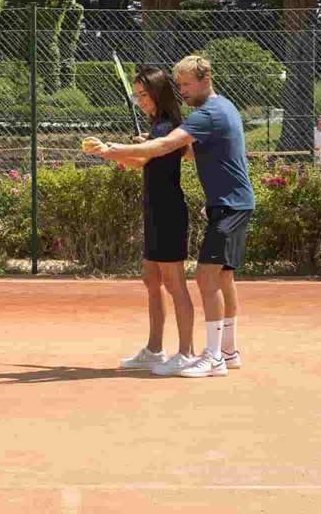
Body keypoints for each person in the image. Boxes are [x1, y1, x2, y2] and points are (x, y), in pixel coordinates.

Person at [84, 55, 254, 378]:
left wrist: (112, 149)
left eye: (187, 85)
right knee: (216, 278)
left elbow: (164, 146)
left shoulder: (205, 115)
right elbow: (181, 151)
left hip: (213, 206)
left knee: (204, 279)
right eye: (180, 86)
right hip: (225, 203)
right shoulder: (221, 109)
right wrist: (141, 148)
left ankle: (207, 355)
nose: (183, 92)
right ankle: (224, 351)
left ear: (207, 79)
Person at [83, 67, 195, 375]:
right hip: (155, 212)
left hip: (169, 213)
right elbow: (141, 161)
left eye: (144, 95)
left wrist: (109, 149)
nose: (140, 100)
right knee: (151, 279)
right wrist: (108, 153)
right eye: (137, 95)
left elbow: (145, 155)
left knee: (175, 284)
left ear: (158, 93)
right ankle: (155, 350)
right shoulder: (159, 128)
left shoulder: (168, 127)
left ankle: (187, 353)